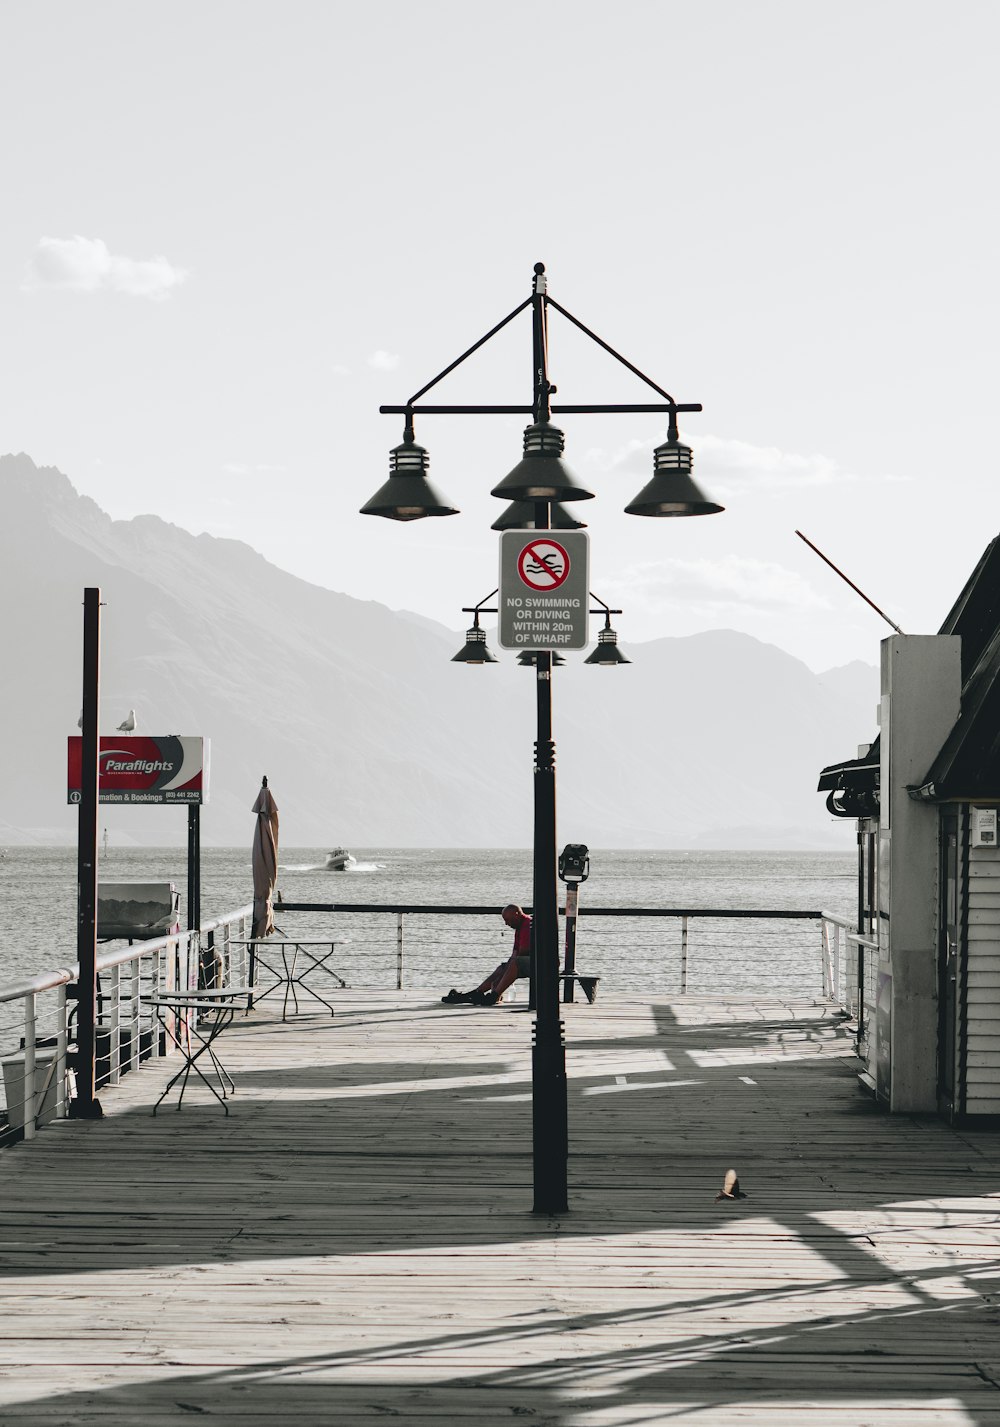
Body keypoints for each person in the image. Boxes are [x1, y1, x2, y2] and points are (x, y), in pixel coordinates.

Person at [442, 904, 532, 1006]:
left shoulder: (526, 925)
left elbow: (523, 952)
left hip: (535, 963)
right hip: (527, 961)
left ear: (516, 914)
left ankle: (493, 996)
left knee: (514, 963)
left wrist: (502, 976)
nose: (506, 923)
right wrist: (504, 971)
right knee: (502, 968)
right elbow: (515, 952)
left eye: (507, 920)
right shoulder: (519, 927)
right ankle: (476, 993)